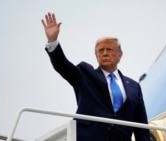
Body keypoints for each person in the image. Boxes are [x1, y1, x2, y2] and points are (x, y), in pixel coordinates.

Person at [41, 12, 150, 141]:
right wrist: (53, 42)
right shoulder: (85, 74)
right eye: (100, 50)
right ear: (96, 55)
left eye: (109, 50)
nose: (104, 53)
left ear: (119, 55)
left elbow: (141, 126)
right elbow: (62, 66)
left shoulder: (134, 87)